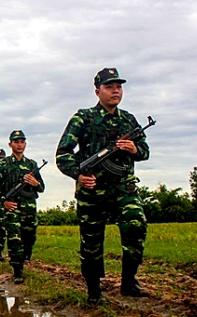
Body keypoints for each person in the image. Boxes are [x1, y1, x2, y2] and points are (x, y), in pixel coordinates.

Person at [56, 68, 150, 304]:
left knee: (136, 227)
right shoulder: (83, 118)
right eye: (109, 87)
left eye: (118, 86)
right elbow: (63, 154)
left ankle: (129, 281)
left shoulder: (128, 119)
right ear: (98, 91)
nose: (115, 90)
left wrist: (134, 149)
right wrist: (78, 175)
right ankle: (94, 290)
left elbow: (145, 152)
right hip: (92, 191)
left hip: (123, 188)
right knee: (91, 242)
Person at [0, 130, 45, 283]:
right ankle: (17, 271)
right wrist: (4, 202)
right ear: (10, 144)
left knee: (29, 238)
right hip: (12, 208)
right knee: (14, 239)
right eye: (16, 142)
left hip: (29, 208)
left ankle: (25, 258)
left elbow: (42, 188)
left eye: (22, 142)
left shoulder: (31, 165)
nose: (19, 145)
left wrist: (36, 183)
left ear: (25, 144)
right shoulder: (4, 165)